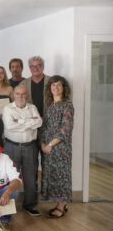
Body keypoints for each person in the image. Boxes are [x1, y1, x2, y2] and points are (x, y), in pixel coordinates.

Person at [2, 85, 42, 216]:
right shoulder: (7, 108)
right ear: (13, 95)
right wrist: (29, 122)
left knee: (30, 178)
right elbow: (9, 126)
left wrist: (18, 121)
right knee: (9, 176)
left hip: (30, 147)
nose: (20, 96)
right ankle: (7, 206)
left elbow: (39, 122)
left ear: (27, 95)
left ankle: (29, 205)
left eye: (23, 94)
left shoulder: (33, 108)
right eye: (18, 94)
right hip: (11, 147)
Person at [39, 75, 74, 218]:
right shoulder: (49, 106)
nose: (56, 88)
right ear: (49, 89)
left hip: (60, 148)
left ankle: (61, 206)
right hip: (47, 149)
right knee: (52, 175)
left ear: (64, 88)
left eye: (59, 85)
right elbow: (43, 127)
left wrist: (50, 145)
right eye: (53, 86)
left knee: (62, 176)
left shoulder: (67, 105)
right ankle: (62, 203)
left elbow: (65, 129)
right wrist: (42, 143)